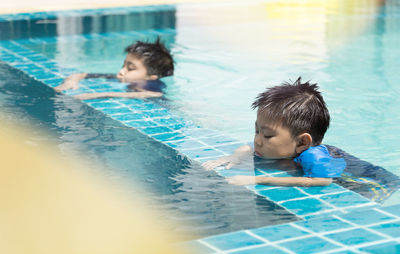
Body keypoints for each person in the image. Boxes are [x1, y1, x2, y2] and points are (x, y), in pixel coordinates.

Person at [203, 77, 346, 187]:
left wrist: (258, 179)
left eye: (267, 135)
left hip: (355, 176)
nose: (257, 141)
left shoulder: (315, 156)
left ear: (302, 142)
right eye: (256, 131)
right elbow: (247, 147)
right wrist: (235, 156)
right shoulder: (277, 146)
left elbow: (321, 181)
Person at [54, 38, 174, 100]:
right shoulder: (124, 77)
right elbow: (83, 74)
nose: (122, 71)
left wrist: (101, 94)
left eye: (130, 68)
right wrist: (71, 81)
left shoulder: (148, 84)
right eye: (124, 65)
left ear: (151, 77)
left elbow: (155, 95)